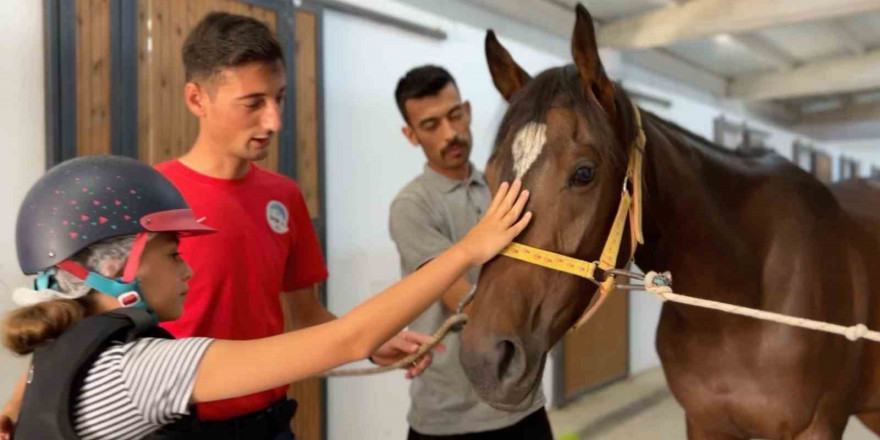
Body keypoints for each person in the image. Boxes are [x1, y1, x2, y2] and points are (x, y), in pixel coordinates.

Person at [1, 155, 531, 439]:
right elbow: (349, 338)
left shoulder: (56, 353)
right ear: (116, 270)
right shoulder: (141, 371)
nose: (187, 268)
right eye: (172, 253)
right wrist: (467, 249)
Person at [390, 65, 552, 439]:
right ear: (410, 135)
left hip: (523, 403)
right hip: (451, 418)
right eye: (431, 126)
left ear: (468, 111)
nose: (450, 133)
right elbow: (455, 292)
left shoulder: (506, 188)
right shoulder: (413, 205)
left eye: (454, 116)